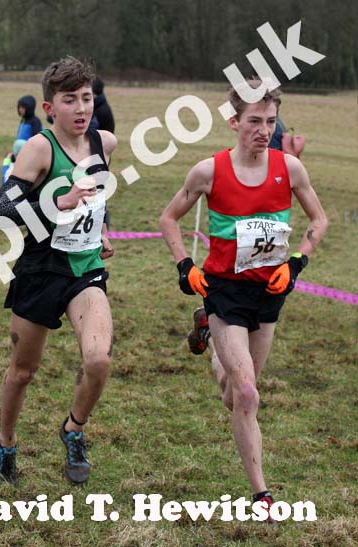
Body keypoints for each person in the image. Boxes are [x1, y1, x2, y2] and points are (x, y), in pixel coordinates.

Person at [159, 80, 328, 517]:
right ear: (234, 122)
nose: (263, 130)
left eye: (270, 121)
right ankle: (262, 495)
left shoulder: (290, 169)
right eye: (254, 121)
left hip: (269, 291)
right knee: (249, 394)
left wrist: (296, 263)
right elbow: (168, 218)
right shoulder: (208, 171)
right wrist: (185, 265)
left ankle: (212, 342)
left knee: (233, 397)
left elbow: (319, 219)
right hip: (224, 290)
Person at [0, 56, 117, 486]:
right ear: (49, 107)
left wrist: (101, 228)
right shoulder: (39, 149)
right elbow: (2, 210)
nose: (81, 108)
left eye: (87, 98)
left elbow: (98, 192)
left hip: (85, 267)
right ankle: (6, 443)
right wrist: (57, 203)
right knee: (23, 371)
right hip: (41, 268)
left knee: (98, 359)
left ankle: (73, 429)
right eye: (70, 100)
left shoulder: (104, 143)